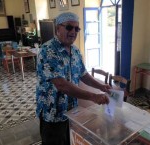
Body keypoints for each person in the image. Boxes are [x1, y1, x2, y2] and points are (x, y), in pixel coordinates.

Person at [36, 12, 111, 145]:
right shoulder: (47, 51)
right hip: (53, 114)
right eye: (69, 27)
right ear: (58, 28)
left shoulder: (75, 51)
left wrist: (101, 86)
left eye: (77, 29)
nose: (73, 32)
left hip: (72, 112)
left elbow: (83, 75)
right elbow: (61, 85)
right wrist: (93, 96)